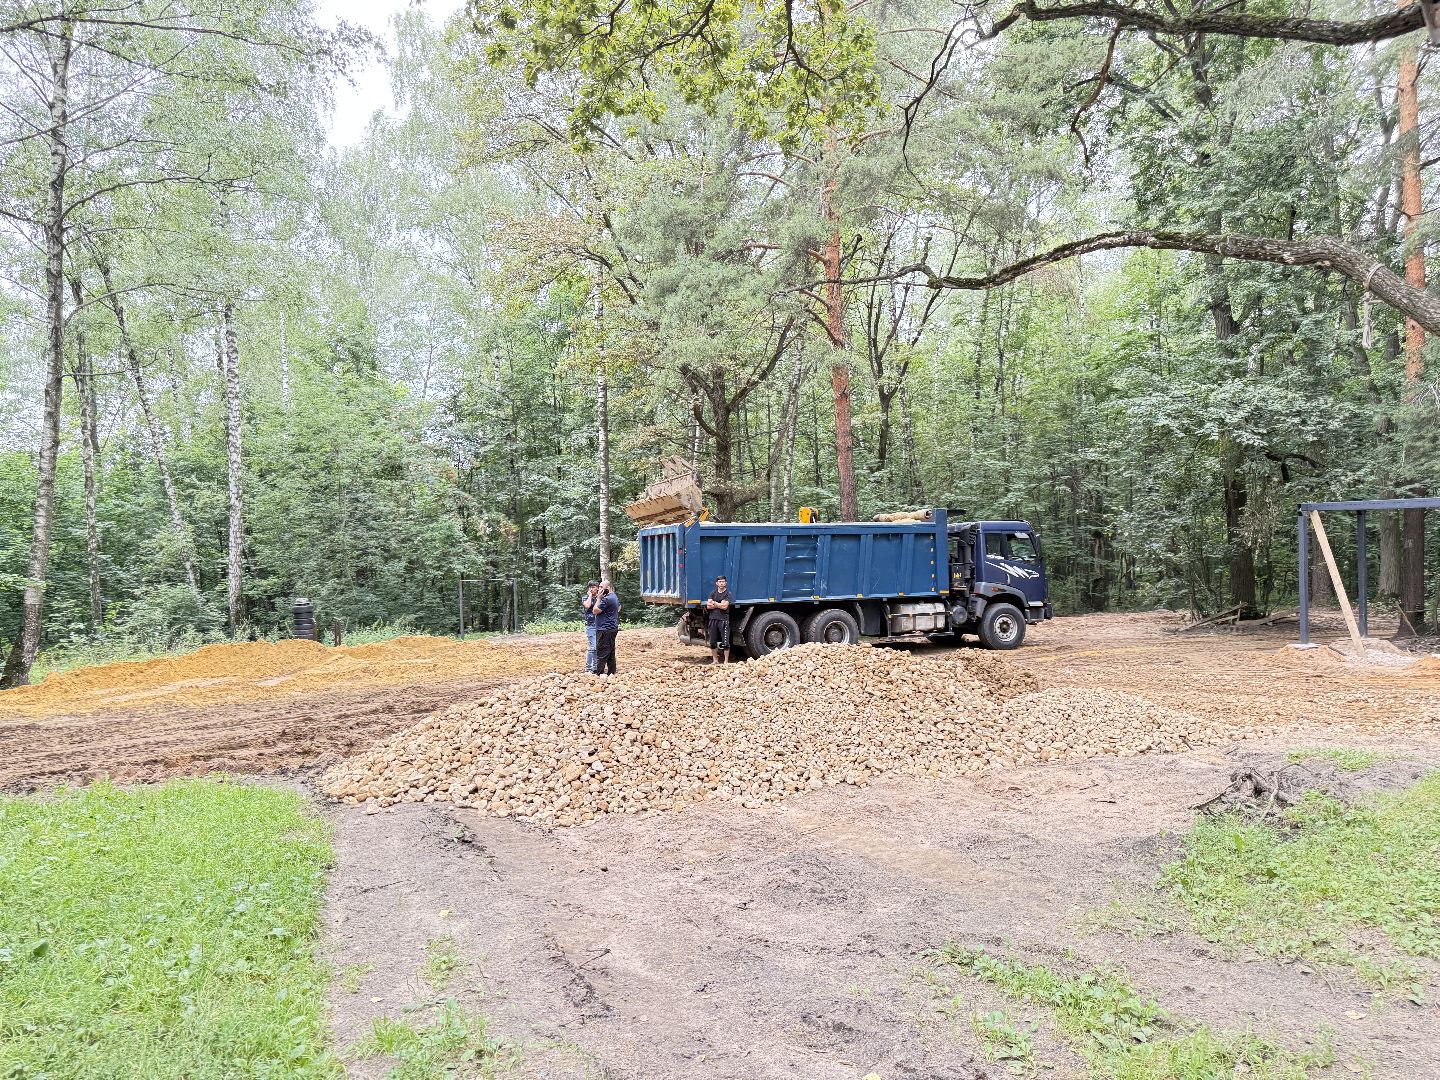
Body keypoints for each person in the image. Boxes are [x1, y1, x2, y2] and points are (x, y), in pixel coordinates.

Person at [592, 579, 620, 675]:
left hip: (605, 629)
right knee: (610, 652)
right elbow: (619, 608)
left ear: (607, 588)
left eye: (601, 587)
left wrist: (599, 599)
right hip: (612, 628)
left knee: (602, 652)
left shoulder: (607, 599)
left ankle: (598, 674)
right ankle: (611, 672)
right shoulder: (614, 597)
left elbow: (595, 611)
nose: (598, 589)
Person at [706, 575, 733, 664]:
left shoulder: (728, 594)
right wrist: (719, 604)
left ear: (726, 583)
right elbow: (708, 606)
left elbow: (725, 607)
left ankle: (726, 661)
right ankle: (715, 660)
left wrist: (714, 603)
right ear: (717, 583)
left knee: (725, 642)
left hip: (723, 619)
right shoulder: (713, 593)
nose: (721, 583)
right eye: (720, 582)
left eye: (723, 581)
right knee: (712, 642)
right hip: (713, 619)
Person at [580, 580, 600, 673]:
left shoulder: (600, 597)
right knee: (593, 647)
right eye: (591, 587)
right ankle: (588, 668)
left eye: (594, 587)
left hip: (600, 625)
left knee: (598, 647)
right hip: (590, 625)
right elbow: (587, 605)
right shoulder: (585, 597)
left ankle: (596, 668)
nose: (592, 589)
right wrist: (590, 596)